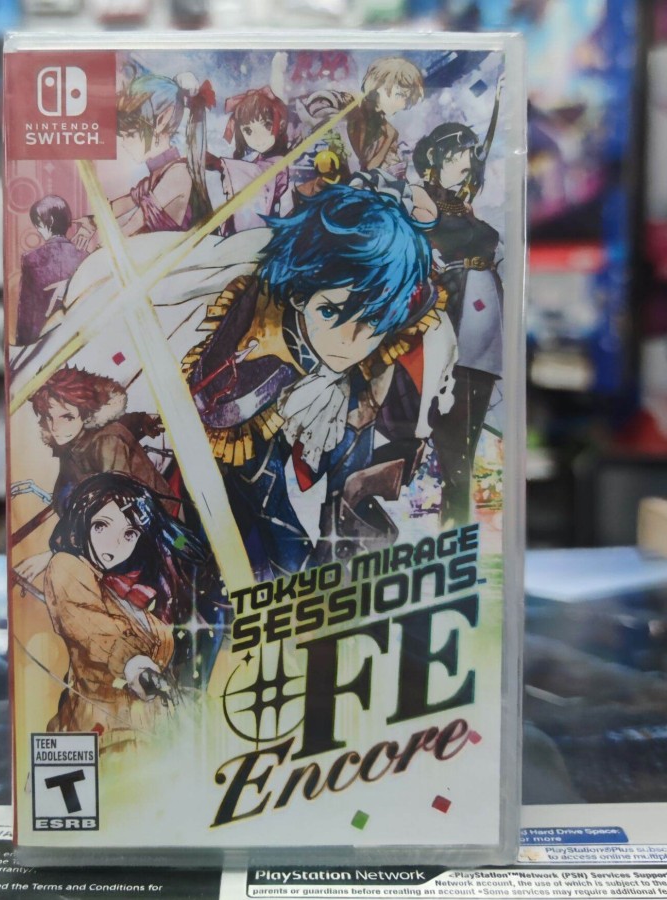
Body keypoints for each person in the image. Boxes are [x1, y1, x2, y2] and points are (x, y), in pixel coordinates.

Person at [184, 185, 455, 578]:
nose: (349, 341)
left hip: (332, 414)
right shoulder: (254, 356)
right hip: (242, 474)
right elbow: (272, 514)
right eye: (330, 312)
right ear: (299, 294)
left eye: (372, 322)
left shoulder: (369, 352)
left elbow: (348, 497)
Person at [43, 472, 208, 747]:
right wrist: (134, 664)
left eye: (129, 533)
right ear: (82, 522)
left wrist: (164, 530)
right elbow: (92, 625)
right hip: (105, 734)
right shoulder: (68, 568)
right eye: (101, 526)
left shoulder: (134, 594)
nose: (114, 545)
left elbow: (189, 549)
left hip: (152, 737)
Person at [413, 78, 504, 526]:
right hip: (453, 314)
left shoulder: (463, 204)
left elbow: (486, 150)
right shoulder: (423, 201)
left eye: (469, 157)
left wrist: (500, 101)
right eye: (458, 156)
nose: (467, 164)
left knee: (470, 427)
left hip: (486, 321)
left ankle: (458, 518)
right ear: (436, 159)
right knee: (451, 425)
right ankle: (454, 519)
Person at [15, 366, 176, 584]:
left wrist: (57, 553)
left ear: (87, 414)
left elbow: (116, 510)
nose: (56, 427)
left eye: (66, 417)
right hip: (118, 536)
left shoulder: (107, 441)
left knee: (184, 551)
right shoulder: (73, 446)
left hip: (161, 528)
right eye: (49, 417)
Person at [72, 71, 215, 249]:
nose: (124, 143)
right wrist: (92, 222)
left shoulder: (178, 174)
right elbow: (125, 203)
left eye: (130, 135)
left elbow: (132, 226)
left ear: (161, 121)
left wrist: (100, 249)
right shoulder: (159, 175)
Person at [209, 86, 293, 234]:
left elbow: (258, 175)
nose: (258, 138)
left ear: (280, 125)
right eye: (248, 130)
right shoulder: (259, 159)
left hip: (265, 231)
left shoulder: (278, 162)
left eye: (266, 125)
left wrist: (219, 164)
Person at [15, 195, 87, 346]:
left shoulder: (31, 259)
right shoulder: (84, 257)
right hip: (78, 337)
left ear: (50, 221)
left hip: (43, 341)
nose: (37, 229)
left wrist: (23, 346)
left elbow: (26, 312)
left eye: (38, 223)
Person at [347, 56, 425, 177]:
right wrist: (389, 138)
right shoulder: (355, 111)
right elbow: (369, 167)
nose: (403, 104)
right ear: (379, 87)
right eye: (400, 95)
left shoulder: (388, 129)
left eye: (406, 98)